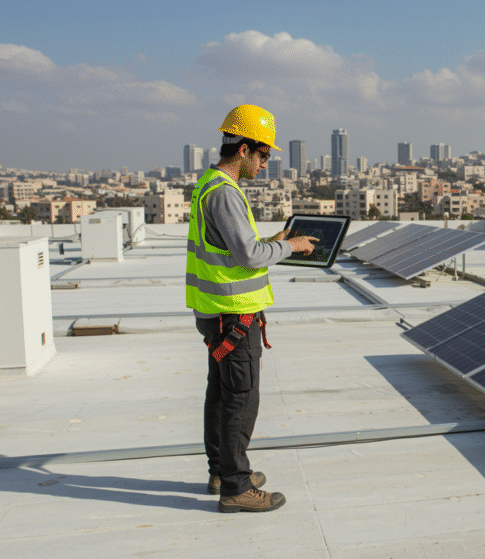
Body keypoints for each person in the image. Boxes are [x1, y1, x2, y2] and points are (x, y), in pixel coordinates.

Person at [186, 104, 316, 513]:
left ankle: (222, 472)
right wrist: (289, 246)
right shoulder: (226, 192)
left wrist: (273, 242)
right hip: (232, 315)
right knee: (240, 400)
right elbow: (247, 255)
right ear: (243, 149)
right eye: (263, 155)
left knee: (221, 395)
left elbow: (231, 248)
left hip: (216, 312)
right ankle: (237, 487)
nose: (265, 163)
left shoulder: (208, 183)